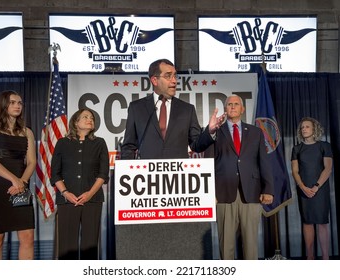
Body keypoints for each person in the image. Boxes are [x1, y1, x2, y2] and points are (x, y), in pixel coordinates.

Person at [119, 58, 225, 259]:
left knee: (178, 242)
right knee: (151, 243)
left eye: (175, 75)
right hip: (147, 190)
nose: (174, 80)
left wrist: (209, 131)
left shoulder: (187, 109)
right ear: (154, 80)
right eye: (168, 76)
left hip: (178, 187)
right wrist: (126, 174)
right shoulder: (137, 108)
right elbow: (129, 146)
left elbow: (196, 144)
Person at [206, 94, 274, 260]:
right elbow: (209, 163)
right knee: (225, 245)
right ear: (225, 108)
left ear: (243, 109)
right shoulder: (215, 132)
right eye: (229, 104)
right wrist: (210, 192)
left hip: (251, 193)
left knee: (251, 246)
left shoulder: (256, 132)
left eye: (236, 104)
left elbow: (263, 162)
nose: (233, 106)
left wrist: (269, 189)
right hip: (222, 194)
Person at [0, 90, 36, 260]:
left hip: (21, 186)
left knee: (28, 238)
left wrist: (22, 182)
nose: (17, 106)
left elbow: (32, 162)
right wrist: (14, 180)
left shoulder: (27, 131)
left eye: (19, 103)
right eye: (13, 102)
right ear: (4, 104)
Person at [50, 108, 109, 260]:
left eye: (92, 118)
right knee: (67, 247)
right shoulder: (62, 143)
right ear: (75, 123)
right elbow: (55, 173)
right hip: (67, 200)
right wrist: (65, 193)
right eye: (85, 117)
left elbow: (103, 174)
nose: (90, 119)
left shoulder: (100, 143)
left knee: (90, 245)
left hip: (93, 200)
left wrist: (89, 194)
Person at [291, 117, 333, 260]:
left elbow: (327, 169)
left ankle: (326, 258)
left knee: (321, 222)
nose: (304, 129)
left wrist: (316, 187)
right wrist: (302, 187)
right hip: (303, 189)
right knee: (307, 221)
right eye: (302, 127)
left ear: (314, 129)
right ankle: (310, 258)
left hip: (320, 189)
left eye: (307, 127)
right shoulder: (297, 148)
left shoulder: (324, 146)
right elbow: (295, 171)